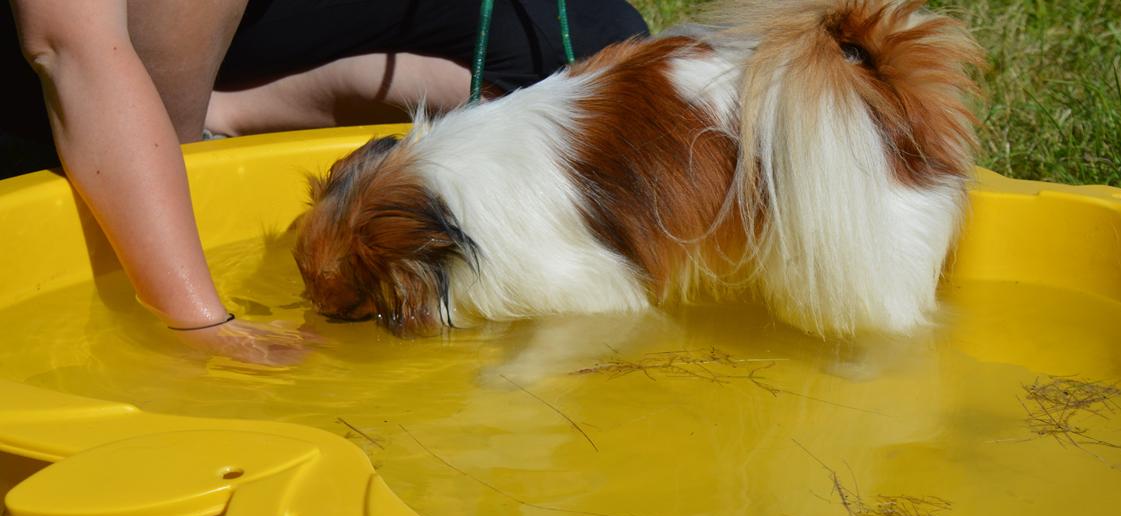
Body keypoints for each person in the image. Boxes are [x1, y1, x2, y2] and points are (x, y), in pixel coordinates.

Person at [3, 0, 648, 364]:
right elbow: (69, 46)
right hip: (93, 34)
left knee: (586, 53)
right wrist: (202, 325)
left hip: (256, 22)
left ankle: (228, 109)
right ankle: (171, 137)